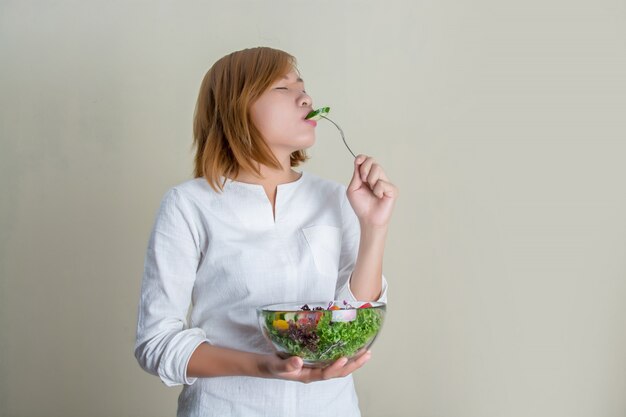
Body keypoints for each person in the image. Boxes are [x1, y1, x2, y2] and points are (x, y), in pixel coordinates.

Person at [134, 46, 398, 417]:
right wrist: (264, 366)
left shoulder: (337, 198)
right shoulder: (188, 205)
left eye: (302, 87)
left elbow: (354, 322)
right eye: (282, 88)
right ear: (236, 107)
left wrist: (375, 226)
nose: (305, 97)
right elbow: (157, 342)